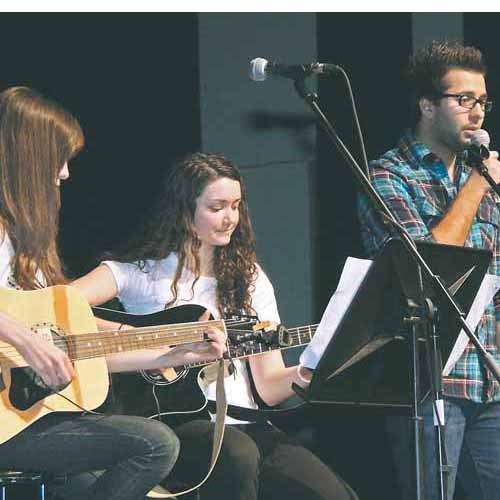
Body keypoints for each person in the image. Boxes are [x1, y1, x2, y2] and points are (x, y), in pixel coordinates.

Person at [73, 152, 356, 500]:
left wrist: (306, 372)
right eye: (217, 206)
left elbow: (267, 387)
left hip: (247, 424)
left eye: (236, 206)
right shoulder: (140, 273)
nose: (230, 218)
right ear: (184, 211)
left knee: (333, 495)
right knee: (237, 455)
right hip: (174, 425)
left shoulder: (250, 279)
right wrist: (134, 337)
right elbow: (57, 306)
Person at [0, 86, 226, 500]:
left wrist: (175, 352)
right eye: (60, 157)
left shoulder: (26, 252)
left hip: (24, 421)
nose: (65, 173)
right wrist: (22, 337)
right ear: (28, 156)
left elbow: (87, 347)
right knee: (154, 444)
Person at [358, 40, 500, 500]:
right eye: (463, 100)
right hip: (430, 380)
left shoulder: (484, 181)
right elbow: (427, 262)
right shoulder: (389, 176)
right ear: (427, 106)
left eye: (482, 101)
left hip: (491, 377)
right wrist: (479, 185)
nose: (477, 113)